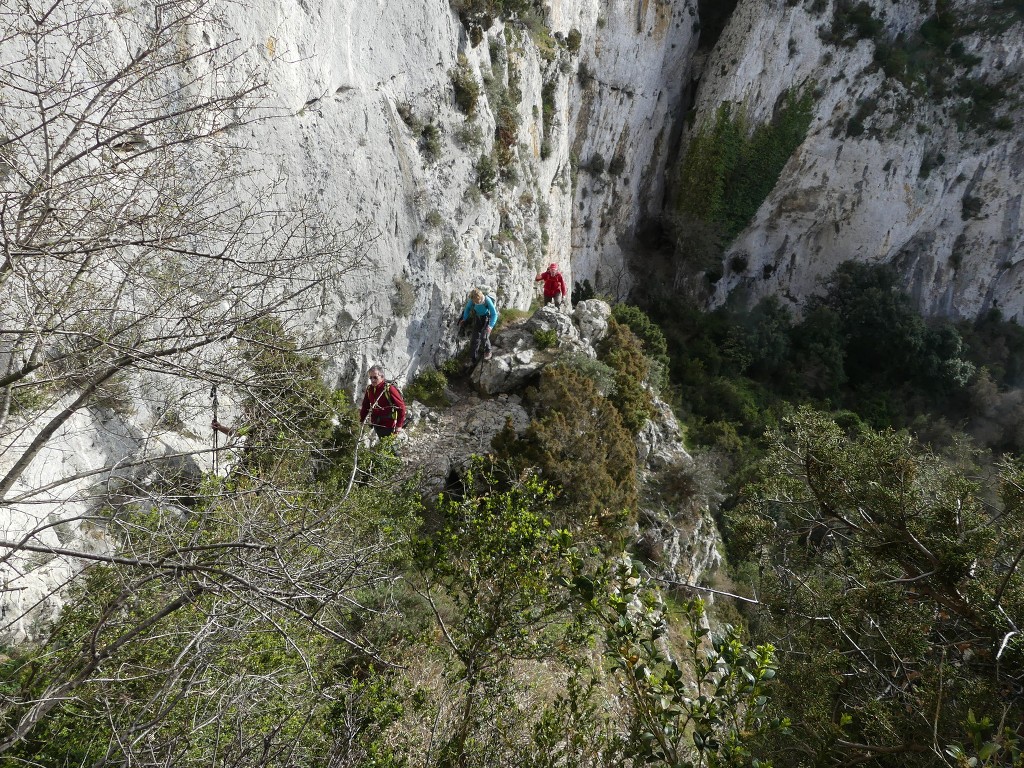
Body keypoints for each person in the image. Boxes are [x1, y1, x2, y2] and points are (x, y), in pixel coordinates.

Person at [359, 365, 406, 439]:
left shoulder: (389, 389)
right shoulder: (370, 389)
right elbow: (365, 405)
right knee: (383, 445)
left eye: (375, 377)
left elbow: (401, 407)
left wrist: (399, 425)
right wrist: (362, 419)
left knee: (390, 447)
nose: (372, 380)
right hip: (376, 423)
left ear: (382, 377)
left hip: (389, 425)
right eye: (370, 377)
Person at [459, 288, 499, 363]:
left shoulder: (487, 300)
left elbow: (494, 314)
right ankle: (472, 358)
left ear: (481, 297)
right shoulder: (472, 300)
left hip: (487, 318)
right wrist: (464, 318)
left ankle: (488, 351)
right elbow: (467, 308)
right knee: (475, 338)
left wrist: (490, 326)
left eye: (478, 301)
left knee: (484, 336)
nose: (477, 302)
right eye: (475, 301)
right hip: (478, 318)